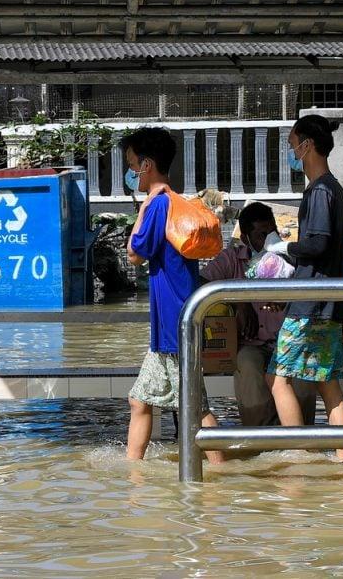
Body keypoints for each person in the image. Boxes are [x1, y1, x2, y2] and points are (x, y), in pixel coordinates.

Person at [122, 126, 223, 464]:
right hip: (173, 323)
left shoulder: (157, 205)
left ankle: (224, 475)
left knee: (197, 409)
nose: (131, 172)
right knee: (140, 401)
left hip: (174, 325)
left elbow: (134, 253)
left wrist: (142, 206)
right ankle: (132, 476)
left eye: (132, 164)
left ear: (147, 164)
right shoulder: (175, 202)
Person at [264, 114, 343, 461]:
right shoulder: (334, 189)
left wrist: (284, 247)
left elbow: (317, 246)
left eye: (292, 145)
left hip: (311, 305)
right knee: (328, 384)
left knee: (277, 380)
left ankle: (298, 456)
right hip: (326, 302)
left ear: (307, 146)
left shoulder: (319, 192)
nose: (290, 152)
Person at [200, 202, 318, 427]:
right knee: (248, 365)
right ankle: (261, 437)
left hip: (289, 341)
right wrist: (237, 300)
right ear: (245, 238)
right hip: (250, 344)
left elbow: (309, 294)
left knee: (301, 374)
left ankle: (301, 438)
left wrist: (285, 299)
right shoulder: (232, 259)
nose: (268, 239)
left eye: (271, 231)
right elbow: (200, 283)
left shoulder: (291, 258)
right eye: (260, 234)